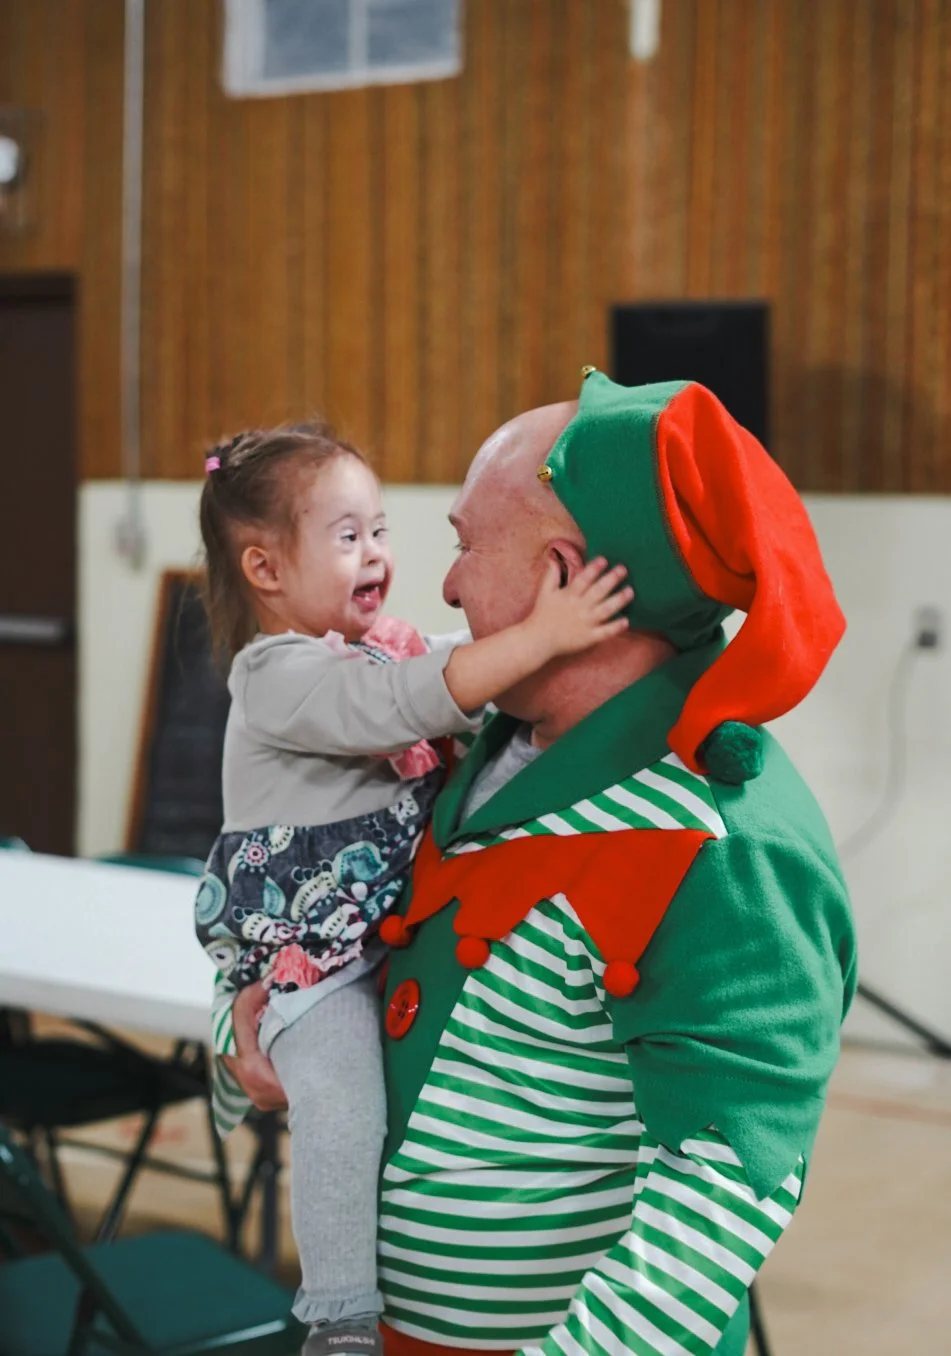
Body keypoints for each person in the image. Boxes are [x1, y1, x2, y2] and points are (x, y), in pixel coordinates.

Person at [228, 375, 856, 1356]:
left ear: (563, 573)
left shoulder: (721, 842)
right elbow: (327, 923)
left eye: (468, 544)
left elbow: (723, 1189)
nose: (443, 585)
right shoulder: (478, 743)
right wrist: (258, 1031)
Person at [195, 421, 633, 1356]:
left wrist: (532, 634)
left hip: (380, 939)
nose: (379, 555)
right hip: (317, 966)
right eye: (346, 536)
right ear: (266, 571)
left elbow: (440, 660)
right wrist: (548, 632)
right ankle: (340, 1314)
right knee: (343, 1104)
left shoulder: (380, 646)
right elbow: (408, 701)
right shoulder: (274, 674)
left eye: (381, 529)